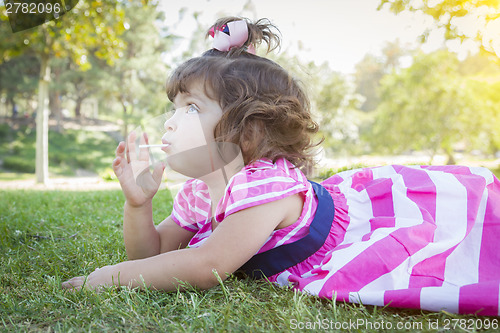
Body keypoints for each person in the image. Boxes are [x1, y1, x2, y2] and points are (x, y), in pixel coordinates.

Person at [63, 17, 500, 316]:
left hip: (357, 236)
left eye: (192, 108)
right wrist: (138, 206)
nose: (173, 120)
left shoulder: (263, 184)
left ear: (248, 132)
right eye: (173, 108)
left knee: (458, 240)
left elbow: (205, 266)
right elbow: (154, 257)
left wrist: (105, 278)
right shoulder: (202, 191)